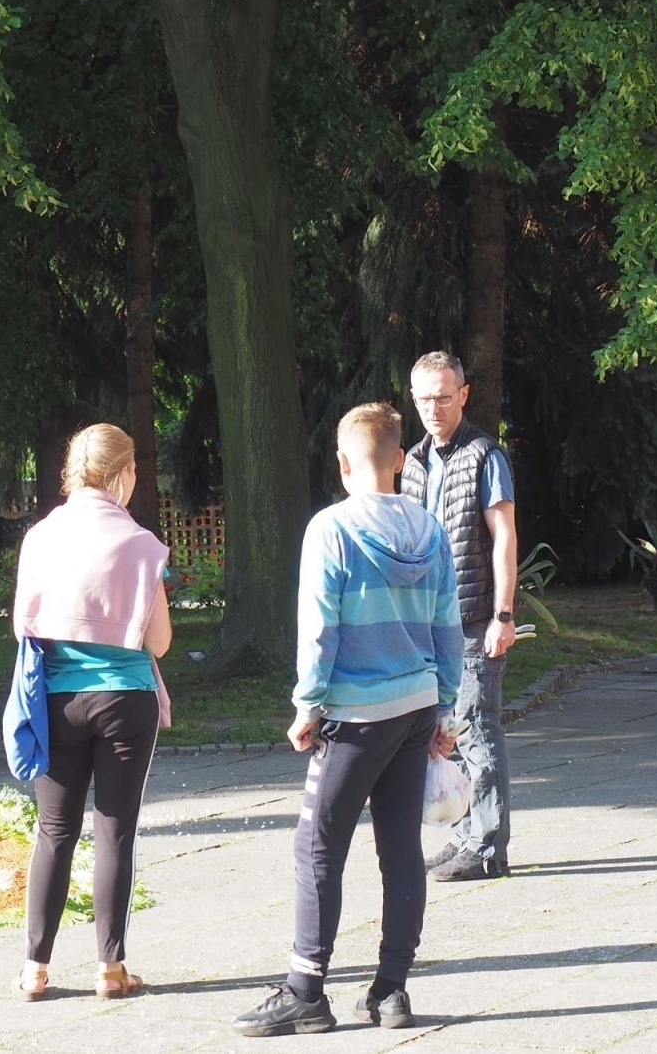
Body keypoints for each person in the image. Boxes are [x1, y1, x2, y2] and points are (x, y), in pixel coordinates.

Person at [232, 402, 461, 1037]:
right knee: (401, 849)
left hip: (355, 715)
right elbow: (448, 626)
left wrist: (307, 706)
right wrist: (445, 707)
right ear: (402, 459)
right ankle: (392, 991)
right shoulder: (430, 530)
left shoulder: (330, 529)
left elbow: (320, 629)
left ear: (341, 463)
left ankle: (306, 989)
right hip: (416, 709)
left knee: (317, 846)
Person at [9, 423, 173, 1002]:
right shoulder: (143, 545)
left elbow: (23, 626)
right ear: (124, 474)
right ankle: (111, 968)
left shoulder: (40, 538)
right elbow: (157, 642)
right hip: (126, 701)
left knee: (54, 832)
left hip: (54, 699)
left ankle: (34, 969)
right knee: (115, 832)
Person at [400, 351, 518, 882]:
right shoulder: (414, 461)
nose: (433, 407)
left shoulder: (485, 455)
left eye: (443, 397)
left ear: (463, 395)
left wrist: (504, 614)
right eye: (424, 398)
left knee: (477, 731)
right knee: (444, 734)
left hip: (472, 617)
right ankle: (463, 834)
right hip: (426, 622)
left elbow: (504, 539)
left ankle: (488, 848)